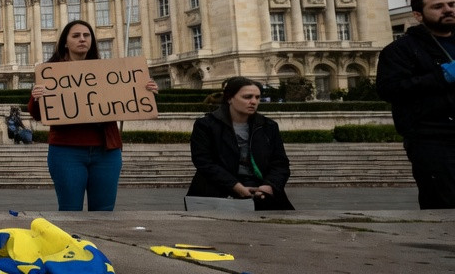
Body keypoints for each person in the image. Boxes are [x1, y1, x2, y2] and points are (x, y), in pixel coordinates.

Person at [29, 20, 158, 211]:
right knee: (69, 210)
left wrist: (145, 90)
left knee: (104, 212)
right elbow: (39, 115)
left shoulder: (109, 71)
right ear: (65, 42)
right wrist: (36, 98)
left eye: (86, 35)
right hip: (66, 151)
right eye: (76, 36)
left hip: (107, 151)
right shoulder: (50, 73)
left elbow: (127, 102)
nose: (82, 39)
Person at [377, 0, 455, 209]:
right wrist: (442, 76)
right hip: (433, 139)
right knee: (445, 204)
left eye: (452, 4)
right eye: (438, 7)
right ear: (418, 15)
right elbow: (389, 90)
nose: (448, 10)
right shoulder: (401, 49)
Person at [186, 76, 294, 210]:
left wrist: (269, 186)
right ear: (230, 98)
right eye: (247, 97)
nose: (253, 101)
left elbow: (280, 163)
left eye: (257, 97)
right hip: (217, 192)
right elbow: (204, 162)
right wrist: (235, 186)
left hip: (262, 192)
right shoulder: (206, 125)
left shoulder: (269, 126)